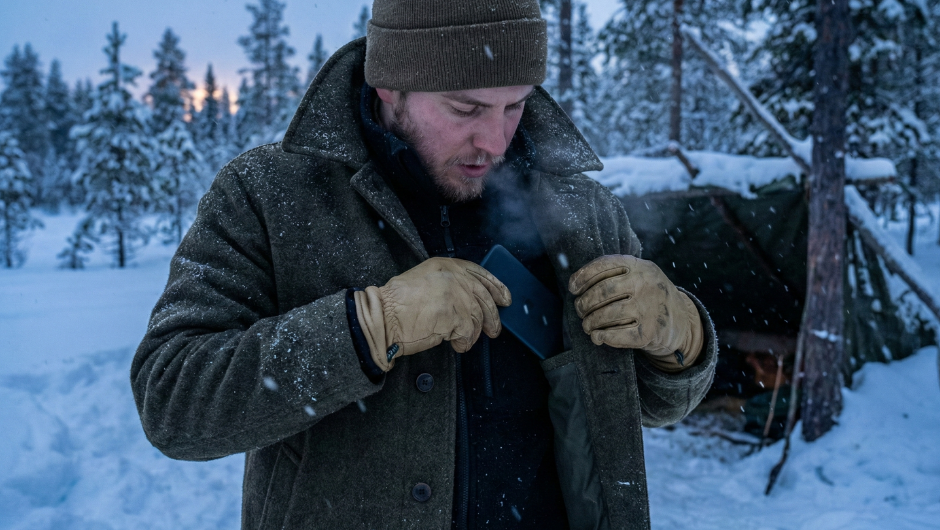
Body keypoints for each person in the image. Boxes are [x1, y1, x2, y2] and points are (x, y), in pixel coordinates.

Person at [131, 1, 717, 528]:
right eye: (466, 108)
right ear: (390, 86)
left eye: (515, 105)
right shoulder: (271, 195)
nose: (495, 140)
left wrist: (680, 336)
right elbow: (174, 401)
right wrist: (370, 327)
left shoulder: (579, 208)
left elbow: (645, 404)